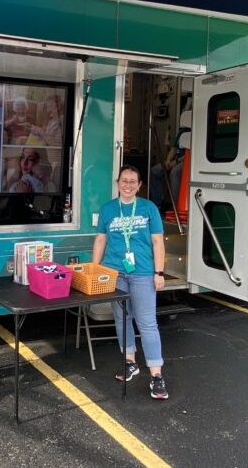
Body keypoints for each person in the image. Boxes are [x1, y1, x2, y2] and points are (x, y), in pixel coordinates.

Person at [92, 165, 169, 400]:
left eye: (132, 181)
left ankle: (156, 374)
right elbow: (100, 240)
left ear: (139, 185)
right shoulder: (107, 209)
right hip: (116, 272)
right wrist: (95, 269)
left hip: (144, 272)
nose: (127, 185)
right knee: (122, 319)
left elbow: (157, 241)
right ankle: (130, 362)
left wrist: (159, 272)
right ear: (118, 183)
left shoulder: (148, 208)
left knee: (146, 323)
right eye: (124, 180)